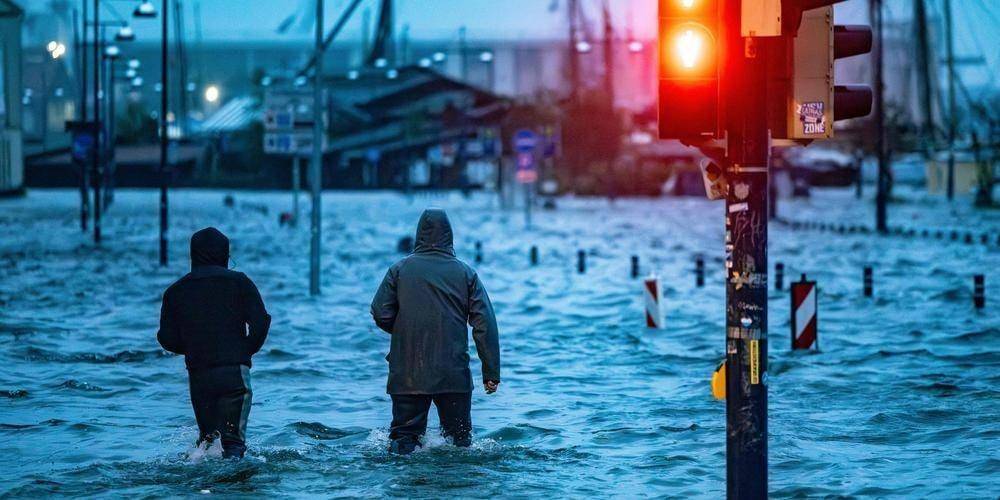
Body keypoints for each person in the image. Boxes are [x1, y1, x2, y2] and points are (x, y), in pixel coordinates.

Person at [371, 208, 501, 455]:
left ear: (418, 236)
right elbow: (485, 324)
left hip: (407, 374)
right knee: (459, 442)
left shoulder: (398, 270)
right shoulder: (466, 273)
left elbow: (380, 312)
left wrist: (406, 332)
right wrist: (490, 372)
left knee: (404, 442)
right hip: (453, 374)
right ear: (449, 237)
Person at [157, 227, 271, 459]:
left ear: (193, 256)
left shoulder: (176, 290)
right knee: (233, 444)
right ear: (224, 255)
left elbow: (166, 338)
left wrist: (195, 347)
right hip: (234, 374)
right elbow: (261, 322)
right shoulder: (240, 282)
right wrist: (243, 351)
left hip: (199, 376)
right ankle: (234, 487)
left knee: (208, 443)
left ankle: (204, 487)